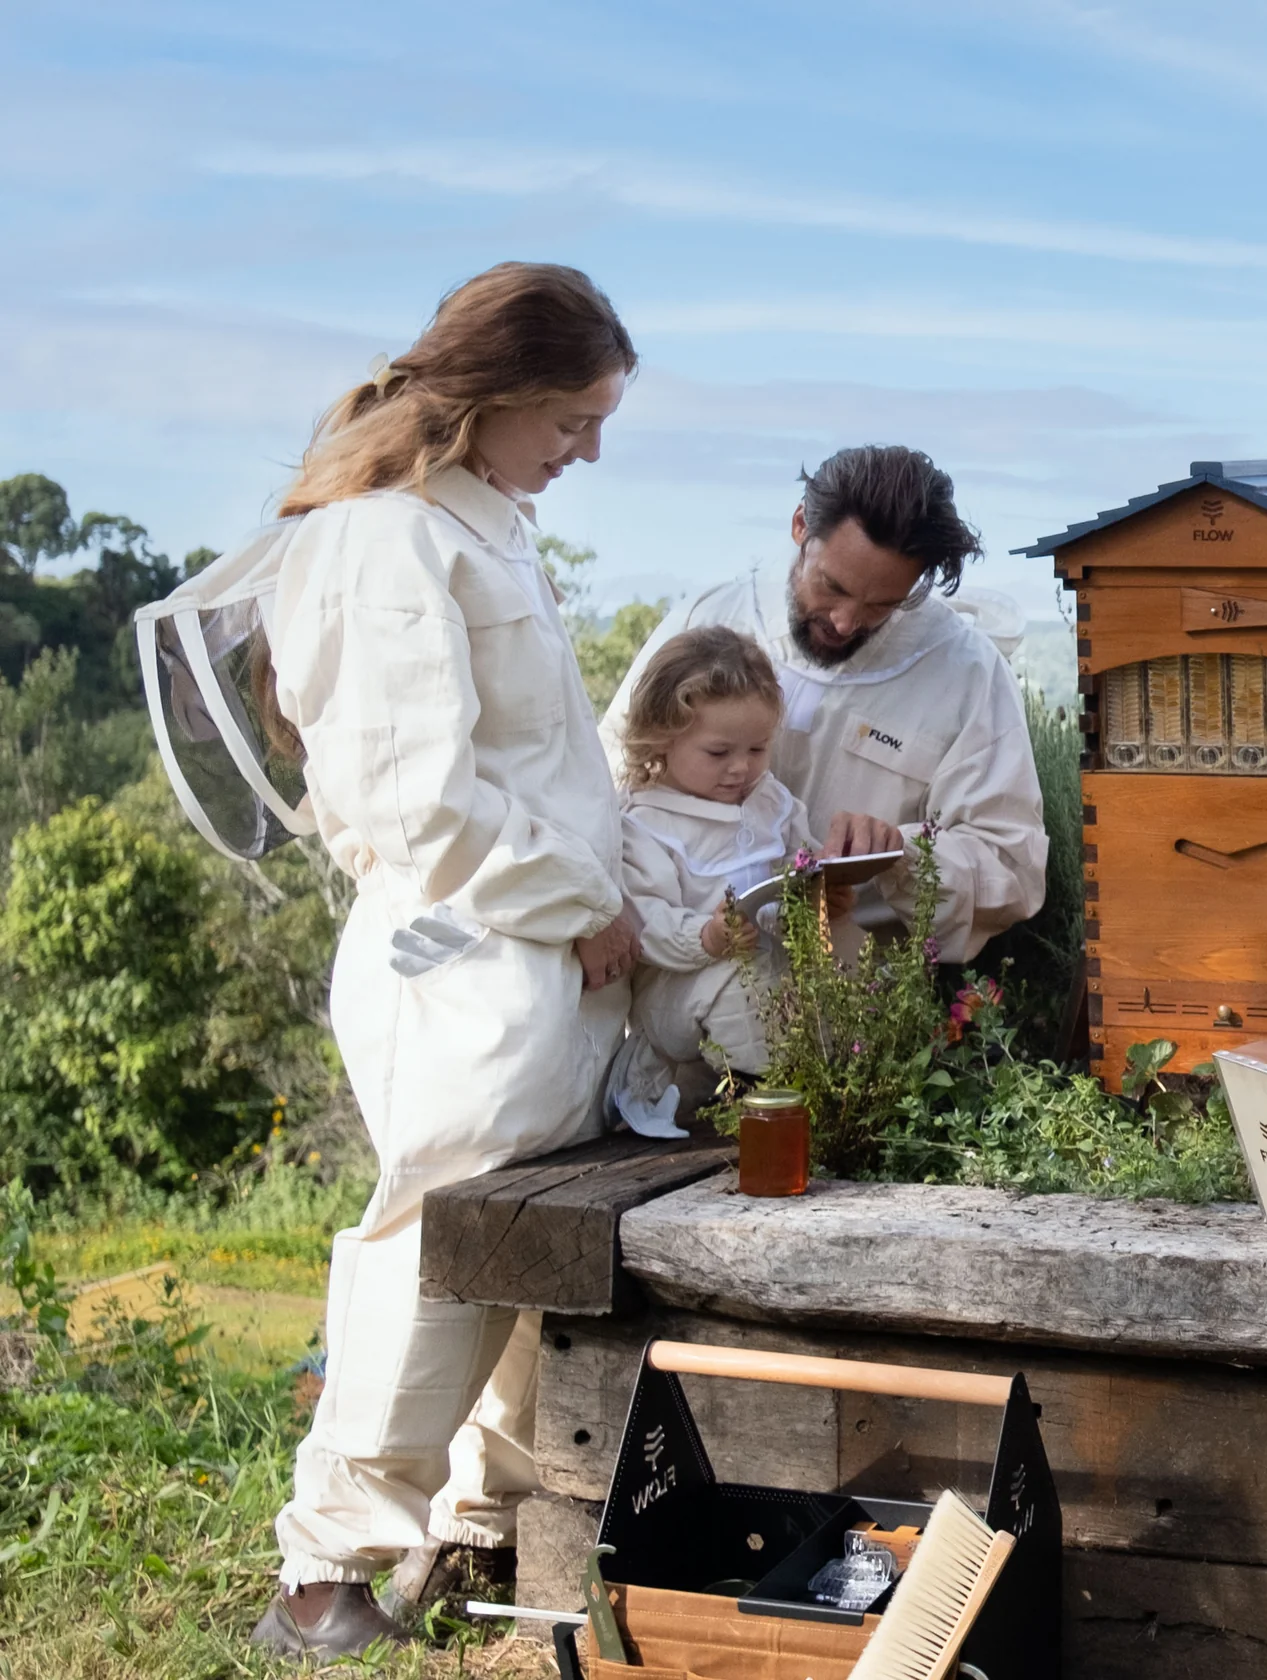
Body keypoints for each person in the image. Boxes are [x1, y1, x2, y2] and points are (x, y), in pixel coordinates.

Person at [250, 263, 640, 1660]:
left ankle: (471, 1535)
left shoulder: (485, 519)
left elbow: (530, 757)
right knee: (433, 1259)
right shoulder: (384, 540)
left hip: (533, 966)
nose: (589, 448)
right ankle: (325, 1569)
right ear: (502, 391)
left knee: (516, 1266)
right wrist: (585, 904)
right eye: (577, 417)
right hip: (464, 962)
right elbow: (420, 802)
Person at [599, 446, 1047, 965]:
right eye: (830, 587)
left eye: (882, 604)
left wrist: (901, 853)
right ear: (799, 526)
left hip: (853, 1002)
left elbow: (1011, 870)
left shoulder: (967, 671)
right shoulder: (710, 617)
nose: (844, 622)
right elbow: (607, 779)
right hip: (676, 975)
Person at [610, 625, 860, 1130]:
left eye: (757, 749)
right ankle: (787, 1097)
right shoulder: (645, 823)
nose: (741, 769)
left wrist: (819, 892)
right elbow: (647, 922)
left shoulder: (770, 801)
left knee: (828, 986)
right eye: (719, 753)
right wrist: (707, 936)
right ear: (662, 738)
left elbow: (800, 858)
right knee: (734, 987)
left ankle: (813, 1091)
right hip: (676, 993)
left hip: (767, 978)